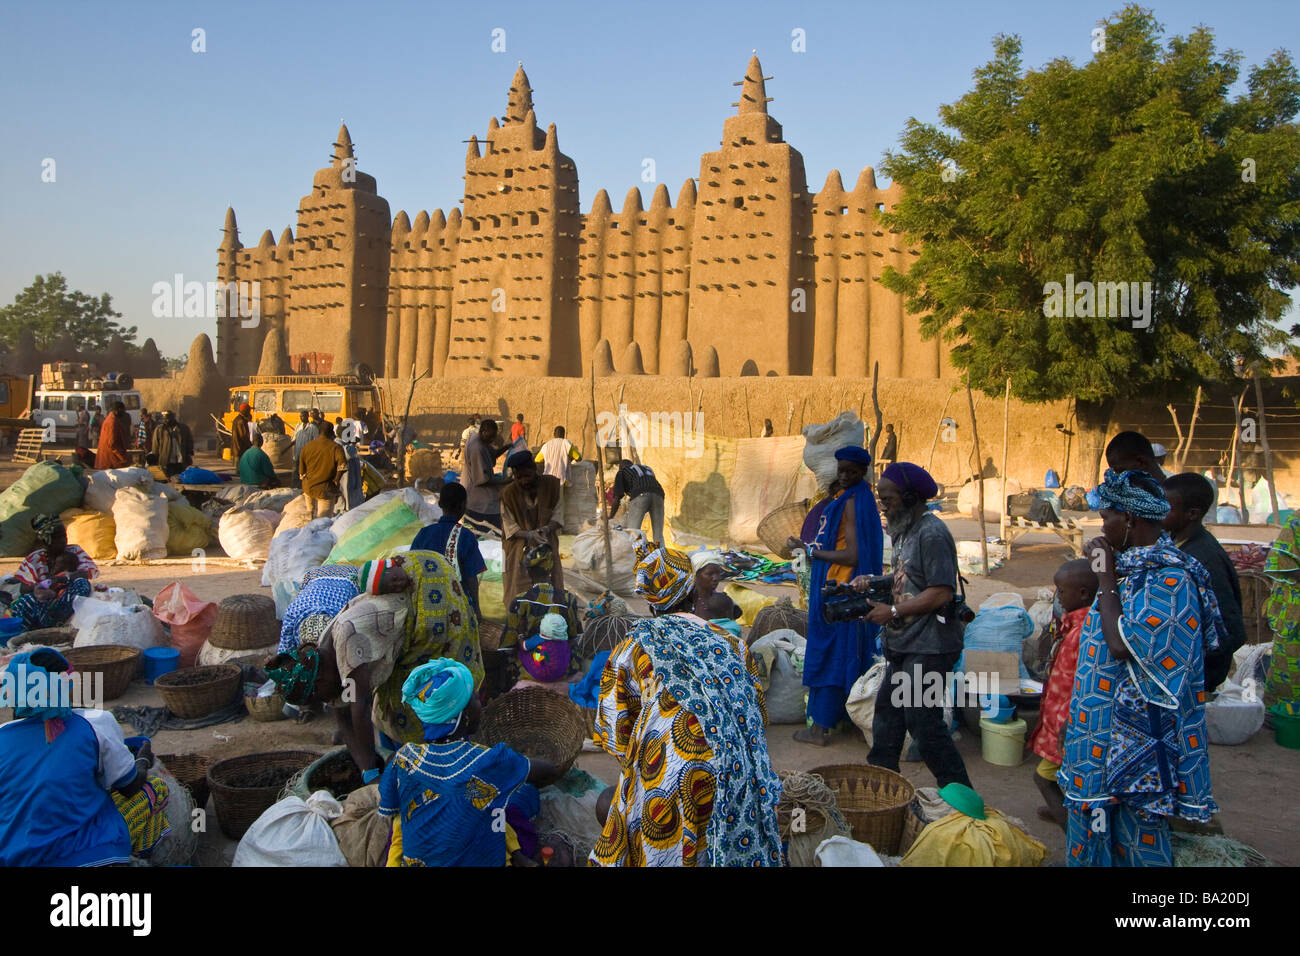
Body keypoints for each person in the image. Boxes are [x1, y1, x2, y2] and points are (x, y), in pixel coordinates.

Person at [1063, 468, 1224, 867]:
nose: (1101, 528)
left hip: (1140, 745)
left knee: (1137, 841)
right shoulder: (1132, 570)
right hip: (1099, 735)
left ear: (1130, 520)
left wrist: (1104, 578)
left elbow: (1122, 647)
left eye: (1106, 519)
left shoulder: (1172, 580)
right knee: (1095, 829)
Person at [590, 541, 782, 866]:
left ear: (650, 603)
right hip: (734, 778)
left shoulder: (632, 647)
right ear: (694, 593)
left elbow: (618, 737)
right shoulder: (734, 644)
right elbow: (757, 719)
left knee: (627, 810)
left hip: (667, 778)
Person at [267, 551, 483, 777]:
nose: (325, 702)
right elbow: (341, 712)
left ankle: (453, 751)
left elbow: (358, 707)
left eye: (318, 696)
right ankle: (407, 761)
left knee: (433, 687)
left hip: (427, 589)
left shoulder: (347, 644)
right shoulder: (323, 656)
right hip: (400, 601)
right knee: (391, 704)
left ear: (320, 680)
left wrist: (370, 770)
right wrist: (366, 769)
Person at [857, 461, 972, 789]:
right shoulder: (904, 529)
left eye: (888, 499)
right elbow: (908, 575)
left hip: (933, 646)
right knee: (888, 719)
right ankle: (882, 790)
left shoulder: (932, 533)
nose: (884, 505)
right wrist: (874, 581)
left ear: (910, 497)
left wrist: (892, 611)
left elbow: (940, 592)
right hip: (907, 643)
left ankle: (962, 799)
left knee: (924, 724)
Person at [0, 649, 171, 866]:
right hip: (84, 855)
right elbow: (128, 786)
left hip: (16, 859)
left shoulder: (2, 735)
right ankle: (136, 859)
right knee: (154, 787)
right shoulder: (94, 722)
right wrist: (143, 760)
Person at [378, 659, 556, 867]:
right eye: (475, 699)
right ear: (464, 716)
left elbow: (395, 815)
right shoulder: (487, 760)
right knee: (523, 795)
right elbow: (549, 770)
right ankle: (517, 854)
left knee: (475, 798)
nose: (482, 704)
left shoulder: (403, 759)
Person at [787, 446, 884, 745]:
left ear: (863, 472)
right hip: (842, 588)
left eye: (851, 472)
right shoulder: (856, 498)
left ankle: (820, 728)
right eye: (841, 470)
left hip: (840, 590)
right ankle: (846, 718)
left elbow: (852, 553)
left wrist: (810, 552)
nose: (844, 476)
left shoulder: (853, 503)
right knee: (845, 650)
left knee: (832, 653)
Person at [1026, 558, 1098, 829]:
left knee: (1043, 778)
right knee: (1062, 777)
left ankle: (1074, 834)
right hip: (1061, 724)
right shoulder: (1073, 627)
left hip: (1067, 726)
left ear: (1082, 594)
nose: (1058, 597)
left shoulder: (1084, 633)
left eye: (1062, 591)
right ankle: (1064, 812)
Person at [1164, 472, 1247, 692]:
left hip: (1196, 675)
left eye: (1166, 506)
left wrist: (1196, 663)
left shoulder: (1204, 559)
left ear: (1192, 513)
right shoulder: (1176, 543)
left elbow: (1232, 629)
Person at [410, 482, 486, 618]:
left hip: (426, 605)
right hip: (457, 609)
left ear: (440, 504)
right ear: (463, 505)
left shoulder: (424, 533)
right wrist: (477, 609)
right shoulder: (466, 536)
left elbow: (411, 568)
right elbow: (471, 578)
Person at [500, 451, 564, 606]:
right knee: (517, 593)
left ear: (534, 469)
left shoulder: (553, 486)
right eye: (519, 477)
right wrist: (529, 535)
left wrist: (546, 530)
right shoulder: (507, 494)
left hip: (547, 547)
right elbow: (509, 527)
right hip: (517, 550)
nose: (523, 482)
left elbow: (559, 516)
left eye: (526, 476)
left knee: (552, 589)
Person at [502, 544, 583, 655]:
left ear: (527, 571)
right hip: (560, 662)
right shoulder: (568, 599)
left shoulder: (520, 601)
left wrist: (520, 638)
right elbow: (574, 638)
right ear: (550, 570)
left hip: (530, 665)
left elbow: (508, 646)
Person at [464, 419, 510, 529]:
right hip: (481, 504)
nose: (492, 440)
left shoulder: (478, 438)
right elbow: (482, 480)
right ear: (484, 432)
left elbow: (492, 454)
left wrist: (507, 447)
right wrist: (504, 482)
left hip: (475, 501)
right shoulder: (477, 449)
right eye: (491, 437)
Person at [610, 459, 666, 545]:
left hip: (640, 494)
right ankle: (661, 555)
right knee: (658, 535)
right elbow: (651, 489)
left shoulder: (622, 472)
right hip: (659, 495)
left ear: (620, 467)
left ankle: (634, 556)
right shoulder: (647, 468)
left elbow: (617, 498)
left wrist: (611, 517)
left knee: (633, 532)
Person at [298, 421, 347, 518]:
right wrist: (336, 480)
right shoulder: (336, 447)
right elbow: (343, 466)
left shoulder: (307, 447)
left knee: (309, 518)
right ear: (331, 433)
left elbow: (301, 473)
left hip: (308, 488)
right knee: (323, 522)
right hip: (325, 490)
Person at [689, 550, 743, 625]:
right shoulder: (686, 601)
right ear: (696, 575)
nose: (716, 578)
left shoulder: (722, 601)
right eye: (709, 574)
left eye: (718, 573)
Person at [151, 411, 193, 478]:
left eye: (168, 418)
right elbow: (155, 444)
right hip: (167, 459)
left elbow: (189, 441)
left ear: (173, 418)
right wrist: (155, 456)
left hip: (180, 459)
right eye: (165, 418)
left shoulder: (183, 428)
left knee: (180, 477)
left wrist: (189, 452)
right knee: (168, 478)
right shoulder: (160, 429)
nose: (167, 420)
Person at [94, 401, 131, 469]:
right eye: (123, 410)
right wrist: (123, 458)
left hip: (108, 458)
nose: (124, 412)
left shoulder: (111, 419)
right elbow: (112, 444)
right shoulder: (112, 422)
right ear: (118, 410)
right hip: (110, 460)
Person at [291, 410, 319, 489]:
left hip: (308, 456)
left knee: (306, 474)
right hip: (297, 455)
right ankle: (294, 488)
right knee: (296, 473)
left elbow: (316, 442)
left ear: (307, 416)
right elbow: (294, 439)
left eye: (303, 416)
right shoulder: (298, 427)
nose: (301, 417)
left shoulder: (313, 428)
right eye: (300, 416)